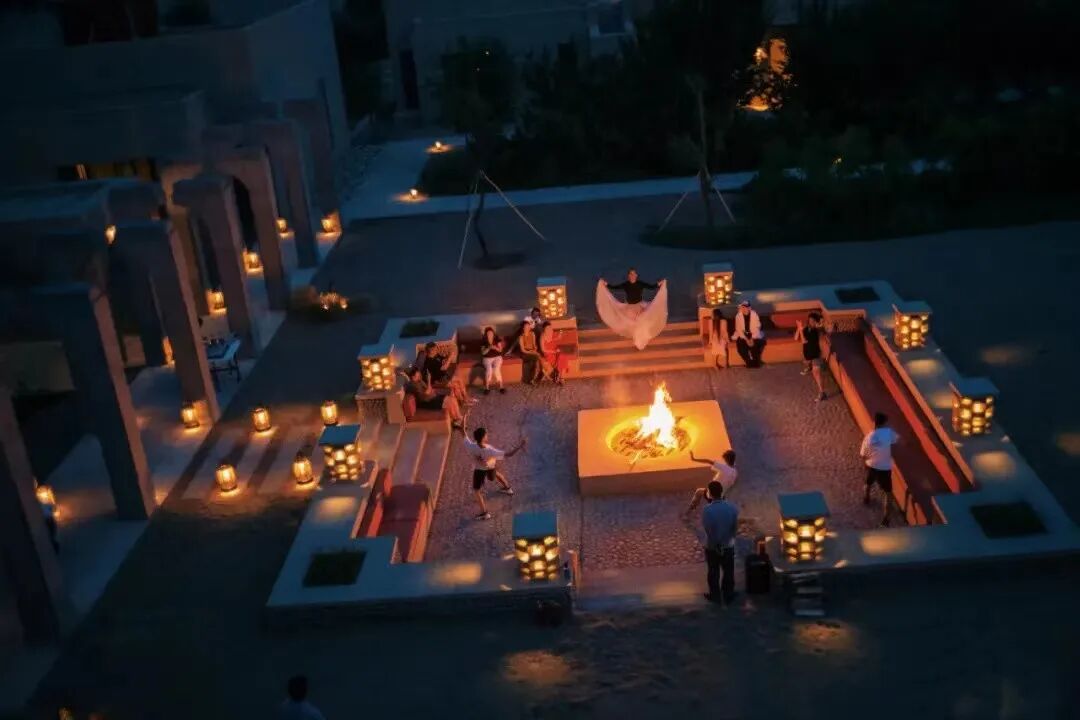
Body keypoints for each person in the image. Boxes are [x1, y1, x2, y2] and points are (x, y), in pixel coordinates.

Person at [463, 427, 527, 520]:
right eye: (486, 435)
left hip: (479, 470)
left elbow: (464, 435)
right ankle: (507, 489)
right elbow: (509, 454)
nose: (487, 435)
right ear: (483, 438)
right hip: (490, 467)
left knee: (477, 490)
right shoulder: (490, 451)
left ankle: (485, 512)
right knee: (496, 474)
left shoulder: (472, 446)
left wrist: (462, 426)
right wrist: (520, 446)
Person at [596, 269, 669, 350]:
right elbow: (614, 287)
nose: (632, 276)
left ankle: (640, 341)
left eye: (634, 274)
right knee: (632, 323)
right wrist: (605, 284)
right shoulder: (626, 284)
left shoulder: (640, 283)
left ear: (636, 276)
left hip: (639, 306)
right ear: (629, 276)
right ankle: (637, 341)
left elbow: (651, 287)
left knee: (641, 322)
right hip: (630, 307)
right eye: (631, 274)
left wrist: (660, 283)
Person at [698, 480, 738, 605]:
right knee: (728, 571)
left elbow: (708, 529)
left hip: (712, 547)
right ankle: (728, 594)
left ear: (710, 493)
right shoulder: (732, 507)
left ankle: (715, 595)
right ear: (721, 491)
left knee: (713, 571)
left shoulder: (707, 510)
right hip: (728, 545)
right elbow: (734, 528)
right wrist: (729, 539)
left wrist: (716, 543)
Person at [860, 412, 900, 527]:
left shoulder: (869, 437)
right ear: (884, 423)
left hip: (871, 465)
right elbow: (897, 440)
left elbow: (863, 454)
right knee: (888, 493)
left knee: (868, 482)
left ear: (875, 423)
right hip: (884, 468)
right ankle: (886, 518)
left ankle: (866, 498)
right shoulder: (888, 433)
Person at [421, 342, 474, 406]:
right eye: (435, 349)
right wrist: (450, 357)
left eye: (436, 349)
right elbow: (444, 367)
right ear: (431, 351)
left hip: (443, 377)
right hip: (437, 381)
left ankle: (466, 398)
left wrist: (448, 356)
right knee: (455, 386)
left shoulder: (435, 355)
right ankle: (463, 401)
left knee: (459, 380)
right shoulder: (429, 362)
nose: (436, 350)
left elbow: (443, 359)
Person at [795, 311, 827, 401]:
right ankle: (809, 366)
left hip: (816, 354)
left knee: (816, 373)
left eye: (813, 321)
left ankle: (822, 393)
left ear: (816, 322)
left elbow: (804, 341)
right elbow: (796, 338)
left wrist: (800, 329)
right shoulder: (806, 329)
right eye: (810, 321)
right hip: (809, 355)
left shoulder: (815, 331)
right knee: (814, 372)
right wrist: (798, 328)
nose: (811, 322)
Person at [731, 300, 766, 368]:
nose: (745, 309)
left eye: (746, 307)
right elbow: (738, 329)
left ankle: (756, 362)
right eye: (743, 307)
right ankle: (749, 362)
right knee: (741, 348)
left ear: (749, 308)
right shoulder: (738, 316)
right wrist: (747, 339)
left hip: (753, 334)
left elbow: (757, 327)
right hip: (743, 335)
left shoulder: (754, 314)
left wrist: (752, 339)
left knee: (756, 345)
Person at [507, 319, 542, 384]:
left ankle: (531, 378)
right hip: (524, 353)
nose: (527, 328)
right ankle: (536, 376)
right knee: (536, 357)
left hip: (532, 351)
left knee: (534, 359)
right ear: (523, 328)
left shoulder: (532, 334)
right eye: (526, 327)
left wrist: (535, 349)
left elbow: (534, 344)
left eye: (528, 326)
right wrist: (532, 352)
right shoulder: (521, 337)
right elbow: (523, 350)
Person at [480, 326, 506, 395]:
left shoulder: (497, 340)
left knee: (496, 369)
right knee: (489, 370)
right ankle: (487, 388)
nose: (490, 335)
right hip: (487, 358)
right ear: (486, 334)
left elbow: (500, 350)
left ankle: (501, 387)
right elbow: (483, 353)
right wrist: (488, 348)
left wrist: (495, 348)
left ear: (493, 334)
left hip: (497, 357)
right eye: (488, 334)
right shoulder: (483, 341)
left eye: (491, 333)